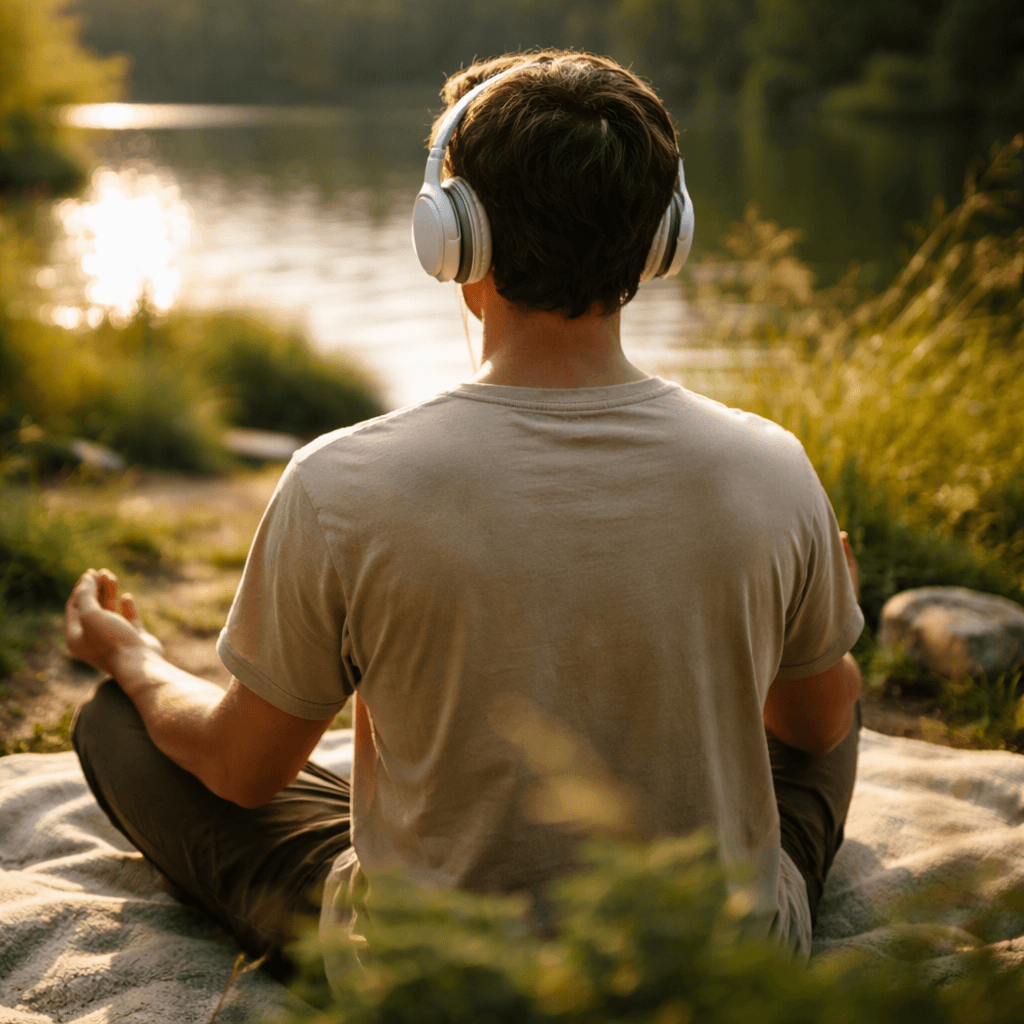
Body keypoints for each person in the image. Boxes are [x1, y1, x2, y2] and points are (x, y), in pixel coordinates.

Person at [65, 50, 864, 992]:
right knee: (834, 703)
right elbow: (813, 725)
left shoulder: (338, 483)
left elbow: (243, 772)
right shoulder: (772, 465)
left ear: (451, 235)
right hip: (714, 975)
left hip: (446, 983)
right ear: (663, 237)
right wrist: (801, 610)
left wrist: (135, 660)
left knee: (119, 725)